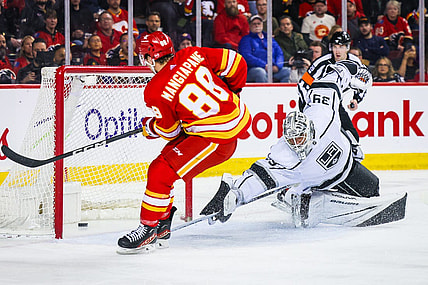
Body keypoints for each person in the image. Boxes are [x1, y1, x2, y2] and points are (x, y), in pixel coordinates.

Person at [117, 31, 252, 253]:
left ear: (150, 57)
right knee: (163, 170)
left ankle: (148, 229)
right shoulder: (192, 53)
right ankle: (162, 223)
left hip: (215, 138)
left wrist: (151, 127)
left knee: (160, 171)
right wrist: (233, 91)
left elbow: (170, 132)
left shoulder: (155, 90)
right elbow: (237, 62)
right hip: (228, 124)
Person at [201, 60, 379, 228]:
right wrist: (234, 195)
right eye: (292, 140)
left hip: (344, 168)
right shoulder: (284, 153)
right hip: (315, 182)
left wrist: (360, 74)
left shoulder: (322, 113)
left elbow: (338, 73)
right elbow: (258, 177)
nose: (297, 144)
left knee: (372, 188)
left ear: (310, 131)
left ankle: (295, 195)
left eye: (300, 138)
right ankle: (297, 196)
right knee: (297, 183)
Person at [297, 31, 366, 152]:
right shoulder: (321, 62)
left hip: (333, 102)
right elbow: (303, 84)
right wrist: (307, 106)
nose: (337, 51)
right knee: (315, 135)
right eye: (335, 47)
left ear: (347, 47)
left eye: (341, 47)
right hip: (315, 103)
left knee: (352, 136)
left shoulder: (355, 62)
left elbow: (364, 81)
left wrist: (356, 98)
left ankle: (349, 161)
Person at [238, 15, 290, 83]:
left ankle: (282, 93)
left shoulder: (269, 38)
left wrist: (278, 65)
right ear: (250, 26)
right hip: (254, 69)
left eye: (259, 23)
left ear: (262, 25)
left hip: (272, 69)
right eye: (254, 24)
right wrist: (264, 65)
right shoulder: (246, 39)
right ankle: (264, 93)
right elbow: (247, 56)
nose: (257, 25)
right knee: (260, 72)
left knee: (287, 71)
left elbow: (279, 53)